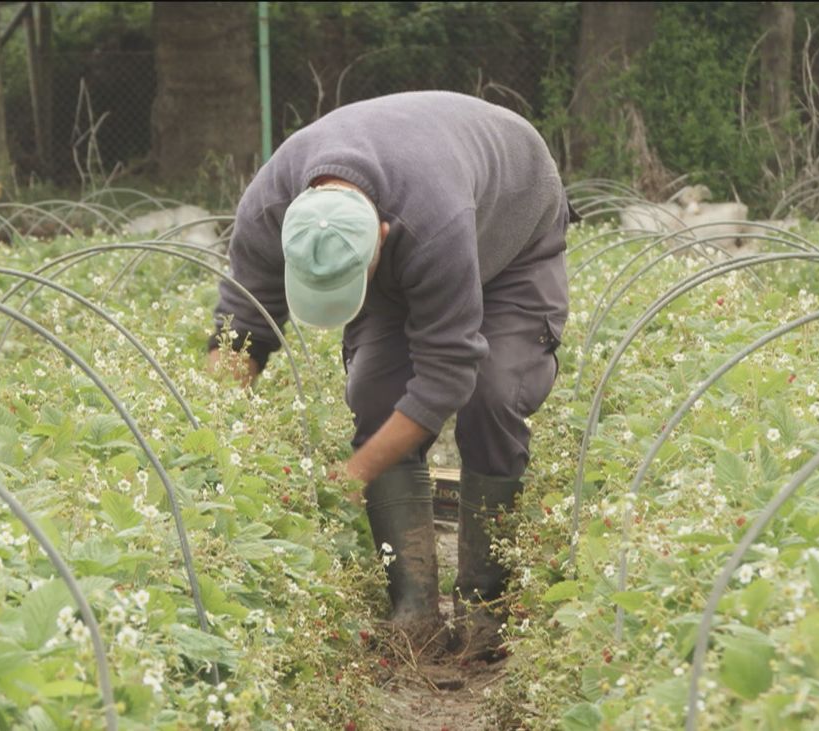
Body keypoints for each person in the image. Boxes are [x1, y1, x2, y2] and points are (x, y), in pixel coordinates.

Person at [206, 91, 571, 661]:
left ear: (379, 236)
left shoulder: (434, 220)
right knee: (375, 394)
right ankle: (415, 612)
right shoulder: (269, 208)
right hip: (413, 232)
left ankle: (485, 609)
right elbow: (239, 328)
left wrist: (354, 473)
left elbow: (449, 374)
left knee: (493, 394)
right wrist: (212, 441)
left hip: (510, 227)